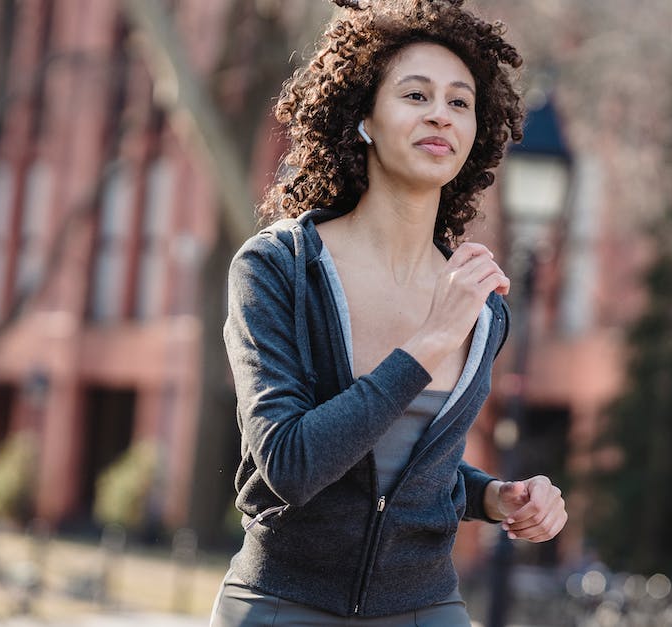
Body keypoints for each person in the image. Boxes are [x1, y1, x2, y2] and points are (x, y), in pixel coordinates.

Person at [212, 0, 567, 624]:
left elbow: (404, 466)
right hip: (284, 603)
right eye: (415, 94)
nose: (441, 113)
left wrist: (492, 497)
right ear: (364, 118)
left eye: (460, 102)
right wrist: (429, 340)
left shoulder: (480, 305)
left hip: (425, 605)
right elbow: (292, 463)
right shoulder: (278, 269)